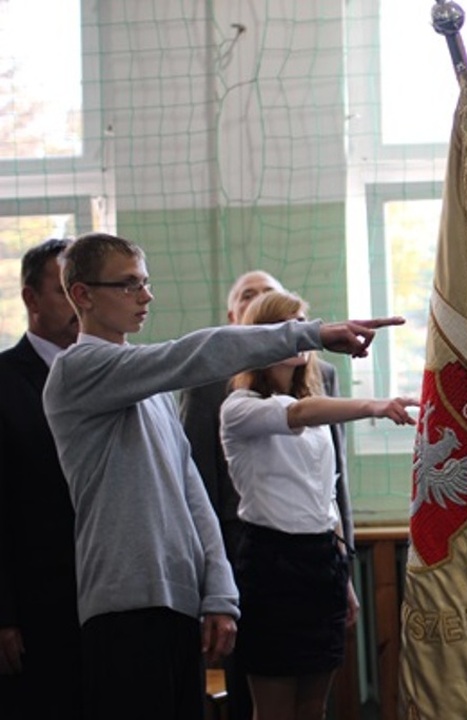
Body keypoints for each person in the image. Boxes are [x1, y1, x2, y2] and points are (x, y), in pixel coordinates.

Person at [41, 232, 402, 720]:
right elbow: (189, 354)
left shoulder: (151, 390)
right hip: (122, 603)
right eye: (128, 285)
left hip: (178, 599)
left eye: (145, 282)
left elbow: (192, 492)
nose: (146, 296)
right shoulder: (77, 370)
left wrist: (218, 592)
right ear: (82, 294)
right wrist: (309, 333)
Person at [219, 290, 416, 720]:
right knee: (274, 709)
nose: (301, 335)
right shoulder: (240, 407)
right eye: (287, 327)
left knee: (313, 707)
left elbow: (325, 495)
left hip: (321, 560)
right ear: (262, 339)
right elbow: (297, 413)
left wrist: (343, 575)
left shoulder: (316, 409)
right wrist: (375, 405)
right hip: (271, 564)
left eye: (304, 324)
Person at [179, 270, 354, 720]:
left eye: (272, 297)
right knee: (258, 700)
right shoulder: (212, 384)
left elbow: (332, 483)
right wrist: (212, 582)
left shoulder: (320, 375)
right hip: (250, 560)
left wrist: (344, 563)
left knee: (312, 702)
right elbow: (196, 484)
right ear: (236, 319)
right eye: (249, 296)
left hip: (319, 559)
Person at [0, 239, 82, 720]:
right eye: (65, 291)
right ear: (31, 299)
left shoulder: (117, 376)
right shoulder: (5, 381)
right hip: (37, 607)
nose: (80, 304)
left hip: (112, 603)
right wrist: (3, 614)